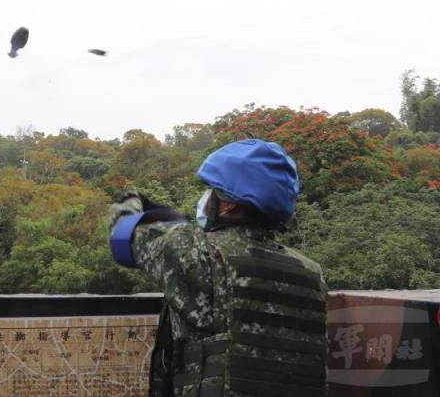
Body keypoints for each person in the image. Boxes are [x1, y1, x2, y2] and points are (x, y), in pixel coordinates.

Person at [109, 139, 328, 396]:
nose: (206, 198)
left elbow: (121, 230)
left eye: (212, 190)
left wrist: (137, 202)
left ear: (229, 203)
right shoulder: (311, 274)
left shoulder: (200, 255)